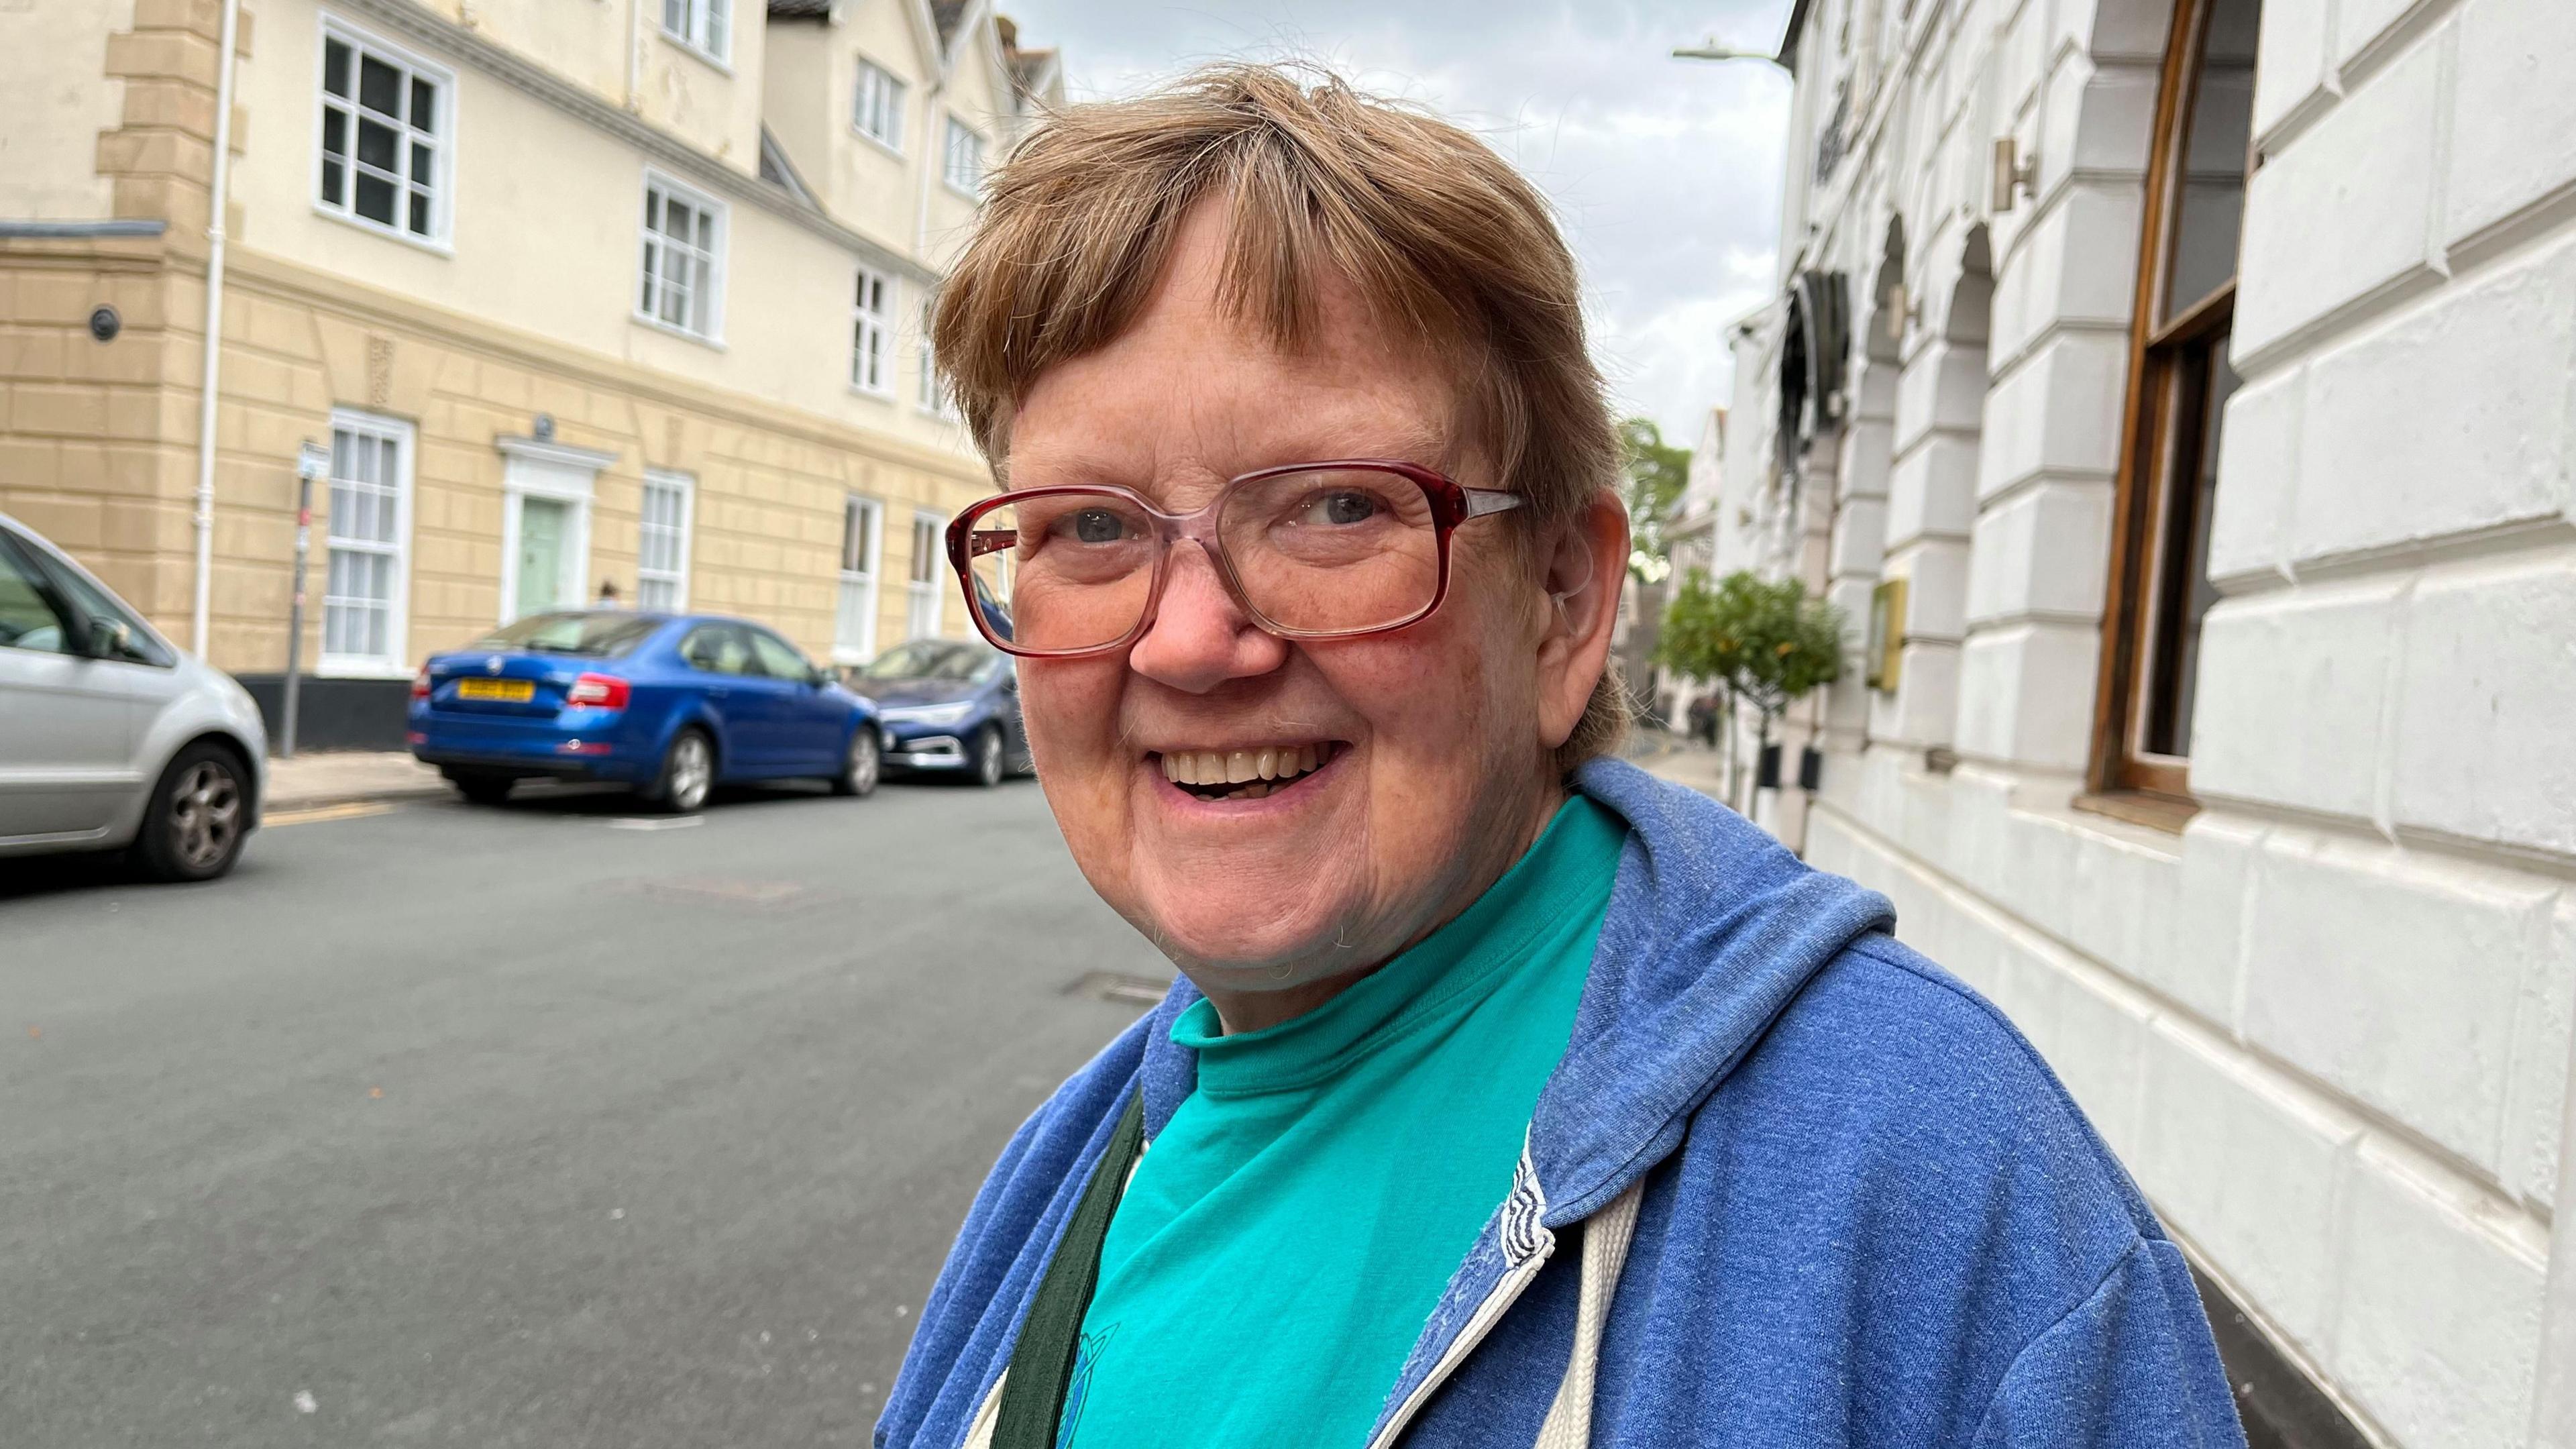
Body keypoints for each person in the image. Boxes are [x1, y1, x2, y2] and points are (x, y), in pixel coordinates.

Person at [879, 65, 2244, 1449]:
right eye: (1091, 530)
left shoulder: (1942, 1190)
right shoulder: (1064, 1173)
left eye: (1338, 507)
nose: (1186, 641)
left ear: (1564, 605)